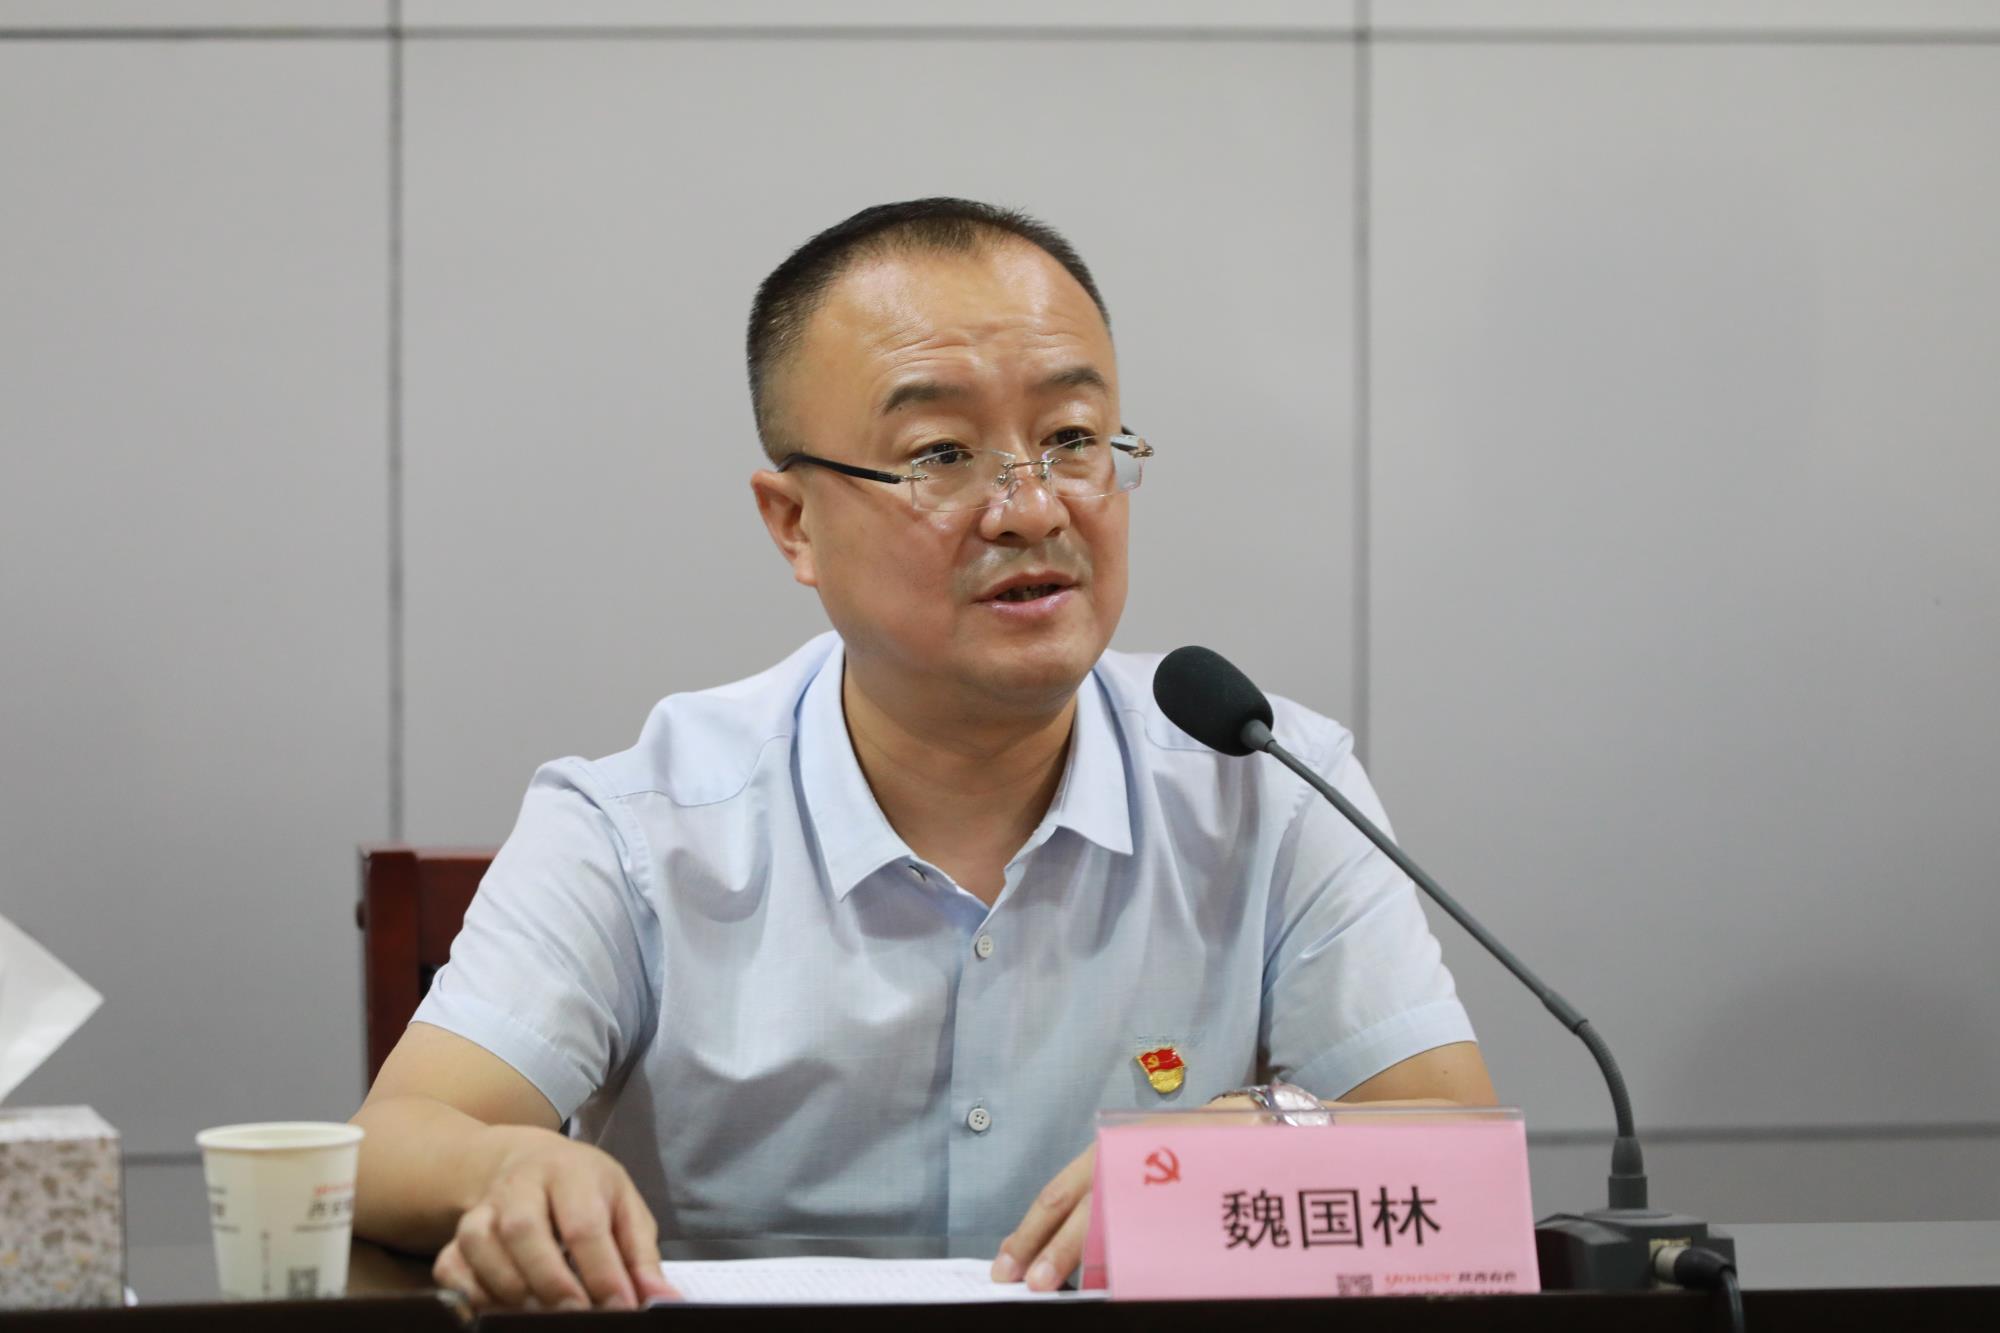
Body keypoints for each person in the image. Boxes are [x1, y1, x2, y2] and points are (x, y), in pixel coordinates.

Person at [350, 197, 1496, 1312]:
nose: (1030, 509)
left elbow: (1454, 1147)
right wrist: (510, 1168)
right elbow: (388, 1143)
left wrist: (1263, 1140)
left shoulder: (1265, 780)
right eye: (941, 453)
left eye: (1071, 440)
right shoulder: (641, 823)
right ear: (794, 522)